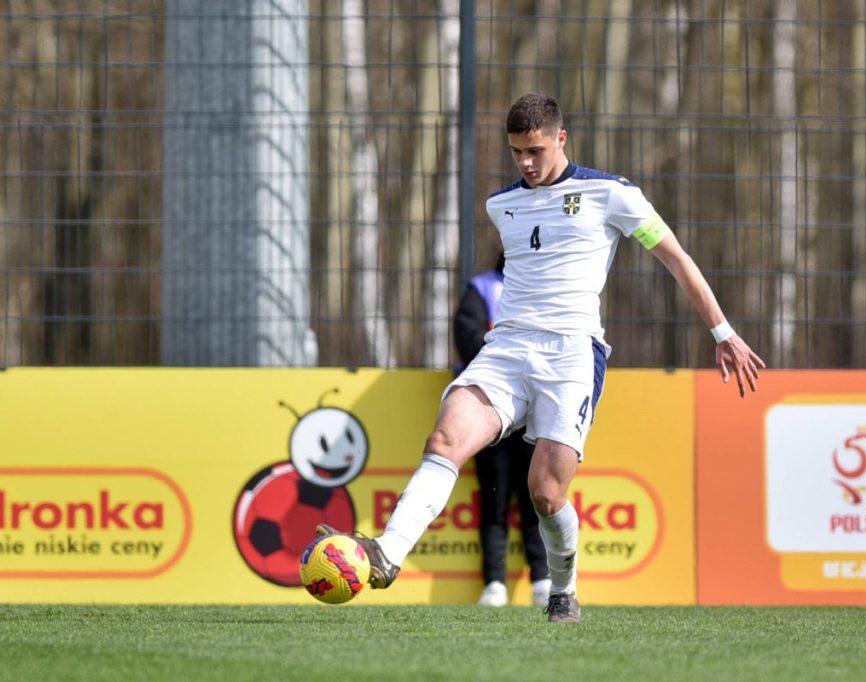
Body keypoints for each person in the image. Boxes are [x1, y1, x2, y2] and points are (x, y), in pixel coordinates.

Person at [317, 92, 765, 623]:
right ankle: (387, 554)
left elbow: (676, 259)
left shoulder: (610, 194)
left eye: (534, 150)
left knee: (546, 494)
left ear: (560, 139)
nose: (526, 163)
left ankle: (563, 589)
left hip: (572, 354)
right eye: (515, 152)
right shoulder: (501, 205)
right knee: (444, 439)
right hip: (506, 349)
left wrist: (722, 331)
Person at [453, 254, 551, 608]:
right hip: (487, 407)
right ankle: (494, 583)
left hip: (534, 407)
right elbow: (467, 337)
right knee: (494, 501)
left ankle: (542, 578)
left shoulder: (544, 288)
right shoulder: (482, 288)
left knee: (536, 496)